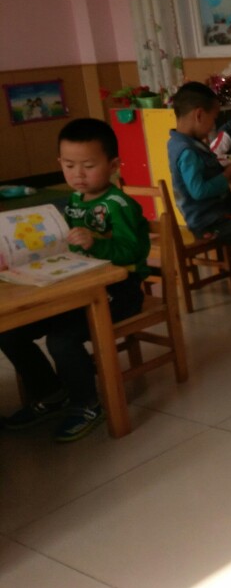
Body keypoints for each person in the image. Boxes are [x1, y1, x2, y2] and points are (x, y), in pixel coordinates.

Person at [1, 118, 150, 442]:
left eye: (88, 166)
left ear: (112, 165)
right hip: (77, 286)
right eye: (69, 165)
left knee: (62, 339)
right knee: (10, 332)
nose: (78, 174)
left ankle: (87, 403)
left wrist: (95, 244)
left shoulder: (118, 204)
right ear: (60, 163)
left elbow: (134, 251)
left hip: (120, 291)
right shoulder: (73, 201)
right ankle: (51, 393)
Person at [167, 82, 231, 300]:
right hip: (209, 221)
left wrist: (225, 168)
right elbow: (199, 191)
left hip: (220, 208)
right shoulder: (187, 150)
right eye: (213, 119)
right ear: (199, 115)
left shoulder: (186, 143)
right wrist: (227, 175)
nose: (214, 125)